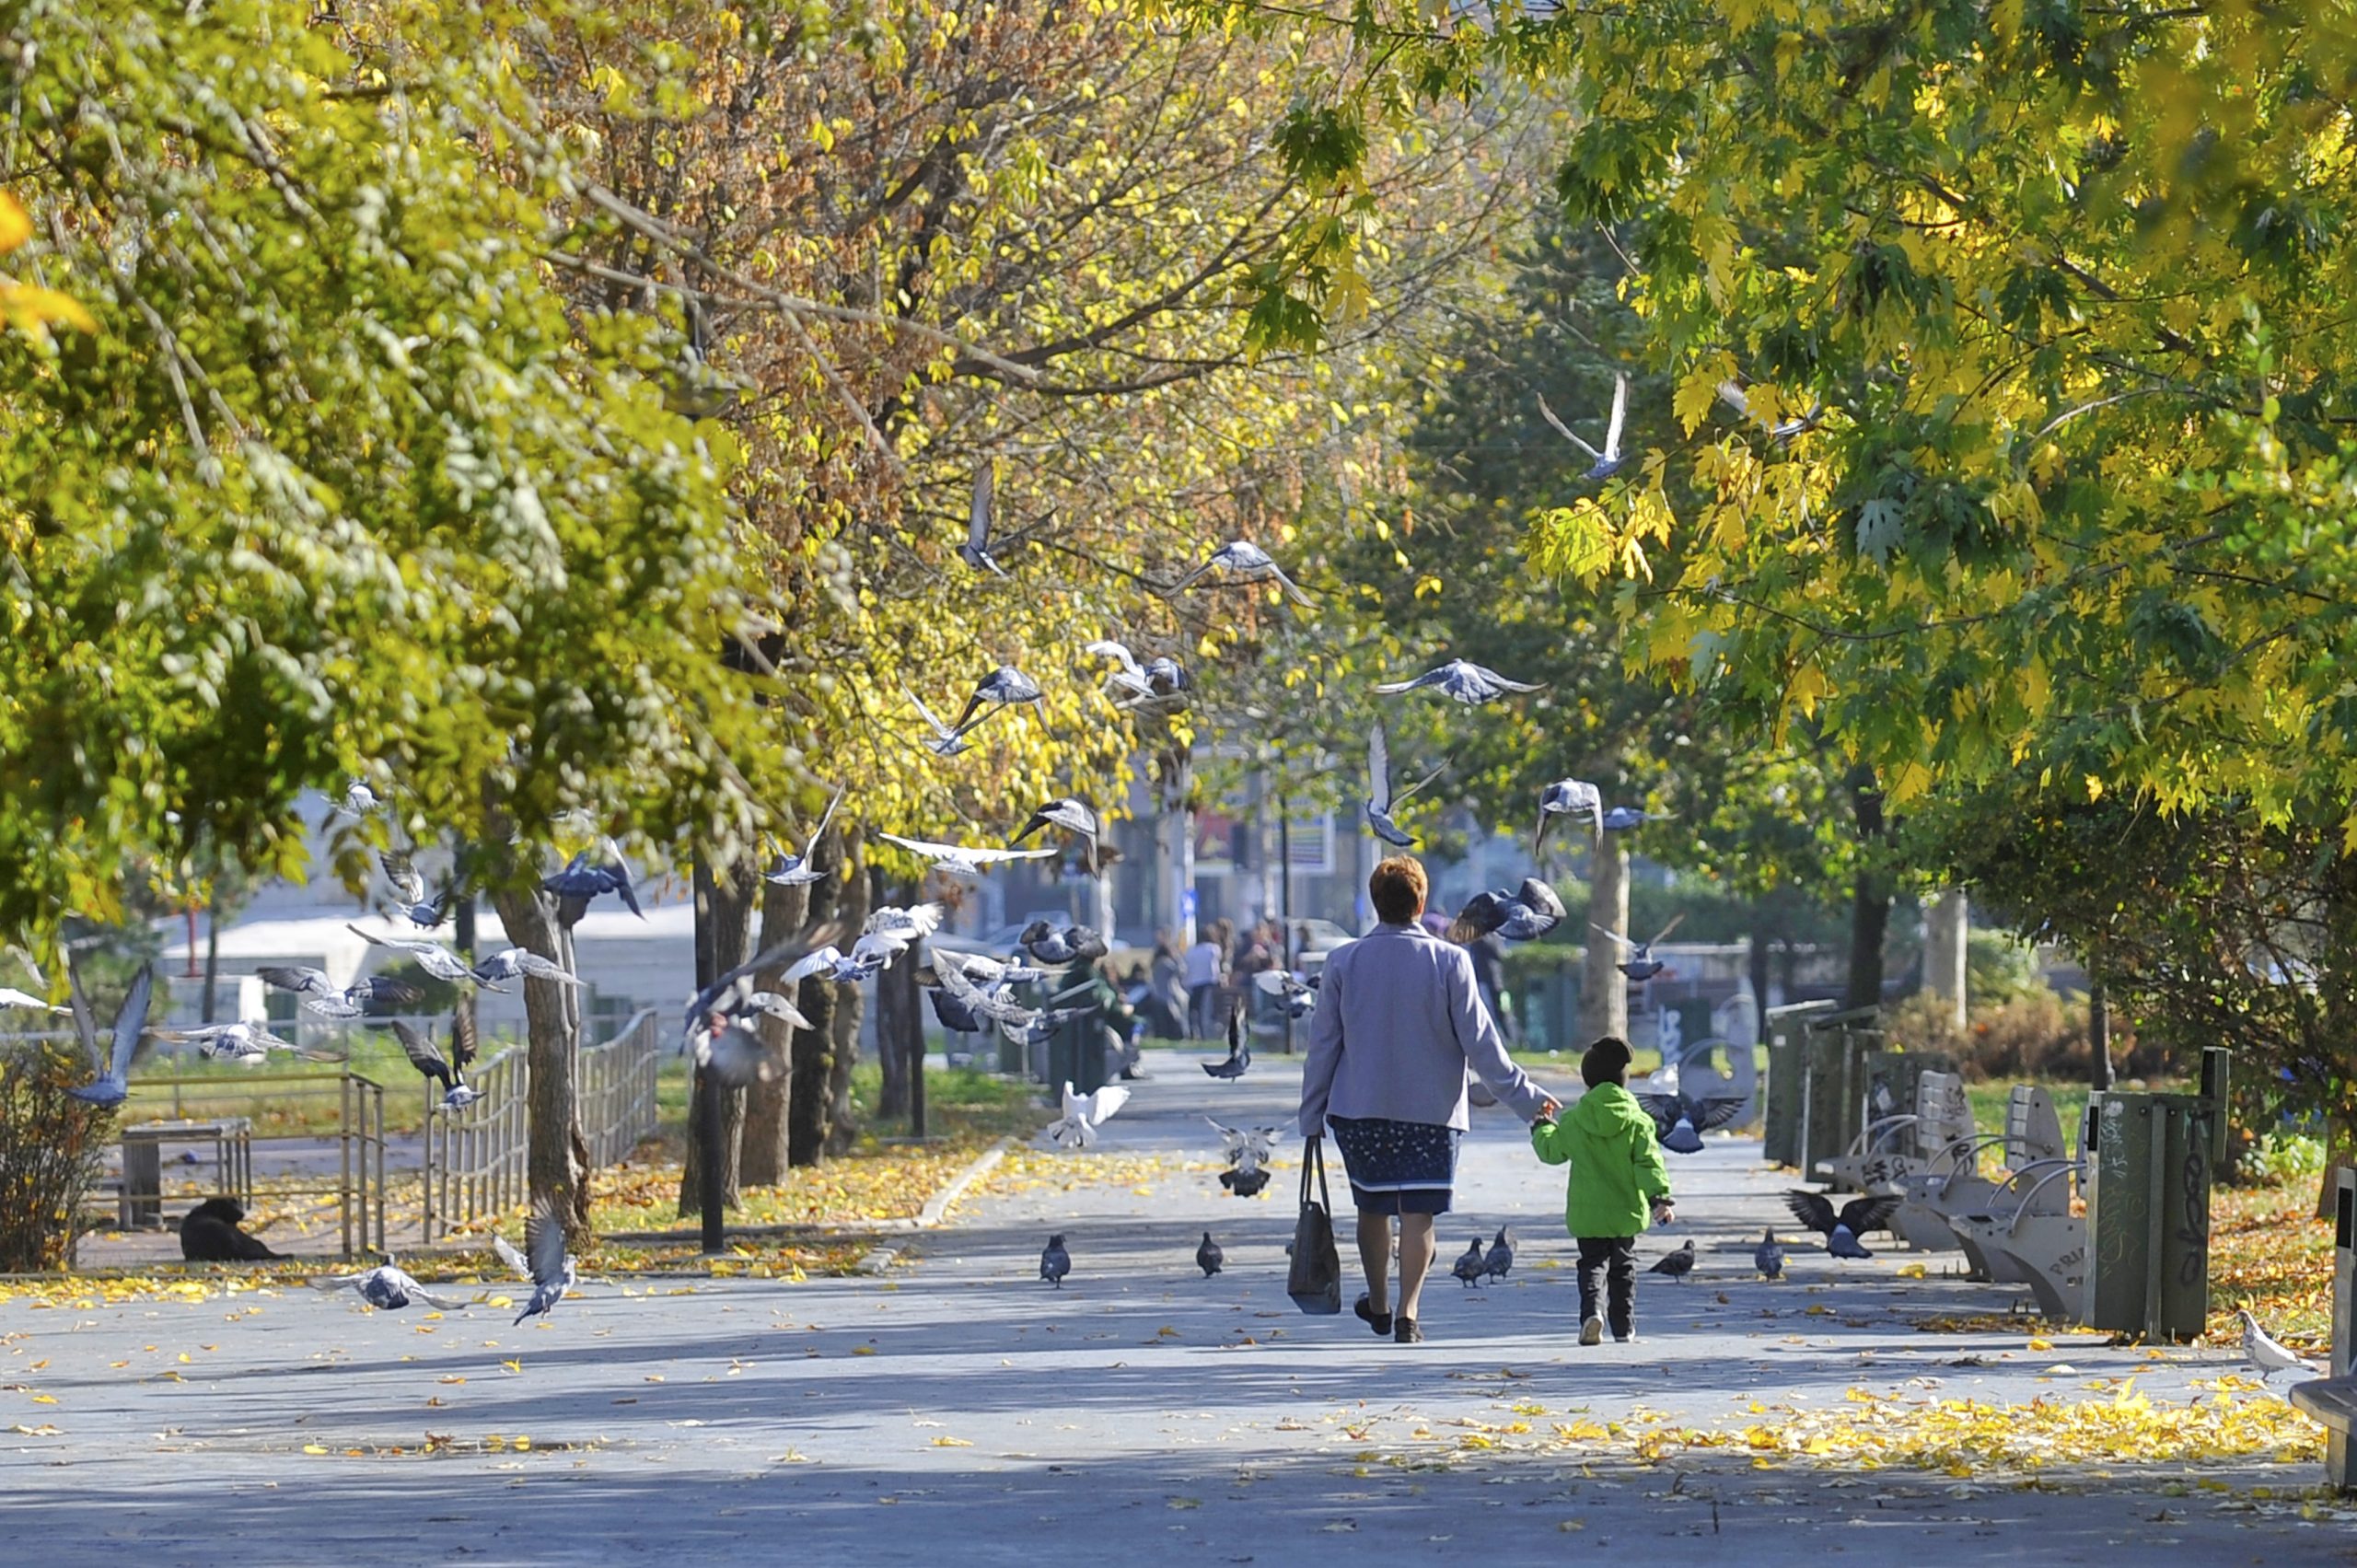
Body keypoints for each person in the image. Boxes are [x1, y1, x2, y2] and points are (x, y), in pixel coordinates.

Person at [1298, 855, 1559, 1345]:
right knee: (1418, 1214)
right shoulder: (1452, 961)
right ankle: (1408, 1313)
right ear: (1421, 902)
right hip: (1434, 1114)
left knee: (1373, 1209)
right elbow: (1484, 1047)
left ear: (1376, 903)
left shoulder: (1344, 961)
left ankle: (1376, 1301)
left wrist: (1310, 1115)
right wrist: (1530, 1101)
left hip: (1360, 1111)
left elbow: (1324, 1046)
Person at [1529, 1036, 1674, 1345]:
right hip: (1624, 1212)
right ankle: (1624, 1326)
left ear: (1587, 1082)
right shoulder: (1638, 1121)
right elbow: (1648, 1164)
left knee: (1592, 1264)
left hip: (1588, 1213)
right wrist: (1659, 1197)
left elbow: (1551, 1152)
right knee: (1623, 1267)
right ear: (1624, 1080)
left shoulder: (1575, 1120)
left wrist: (1541, 1126)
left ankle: (1592, 1312)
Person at [1184, 925, 1223, 1038]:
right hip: (1210, 983)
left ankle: (1194, 1033)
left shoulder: (1191, 951)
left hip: (1193, 984)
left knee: (1194, 1010)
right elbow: (1216, 966)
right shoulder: (1213, 949)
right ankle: (1207, 1034)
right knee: (1206, 1011)